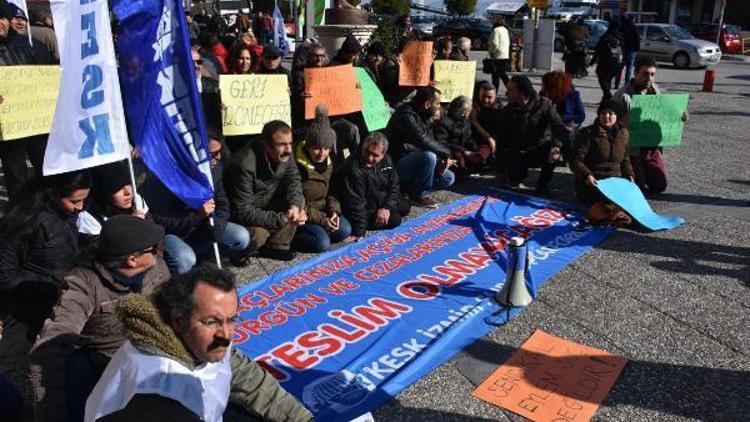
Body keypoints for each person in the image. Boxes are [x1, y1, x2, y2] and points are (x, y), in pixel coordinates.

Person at [84, 266, 313, 421]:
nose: (225, 335)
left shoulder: (203, 341)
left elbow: (251, 381)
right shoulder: (156, 388)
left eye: (231, 320)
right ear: (178, 318)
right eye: (211, 322)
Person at [29, 215, 169, 422]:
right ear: (131, 260)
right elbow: (50, 349)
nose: (161, 251)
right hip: (106, 365)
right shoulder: (82, 285)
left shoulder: (157, 268)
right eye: (155, 248)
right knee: (74, 366)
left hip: (154, 358)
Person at [143, 128, 252, 273]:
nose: (218, 157)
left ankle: (205, 258)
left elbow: (222, 202)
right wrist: (197, 215)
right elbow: (161, 220)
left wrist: (218, 226)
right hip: (173, 234)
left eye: (219, 151)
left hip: (201, 228)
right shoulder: (166, 177)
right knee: (185, 259)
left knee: (241, 237)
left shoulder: (214, 168)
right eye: (212, 154)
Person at [0, 170, 91, 335]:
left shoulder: (67, 214)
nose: (80, 207)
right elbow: (6, 276)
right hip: (37, 302)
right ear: (54, 195)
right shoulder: (25, 223)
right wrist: (48, 285)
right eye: (75, 201)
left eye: (84, 200)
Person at [225, 120, 305, 261]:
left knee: (298, 201)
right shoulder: (244, 165)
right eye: (281, 144)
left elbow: (294, 180)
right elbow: (242, 210)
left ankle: (277, 246)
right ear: (265, 144)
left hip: (266, 201)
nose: (289, 149)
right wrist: (281, 219)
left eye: (290, 143)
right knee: (258, 235)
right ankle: (240, 253)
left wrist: (294, 207)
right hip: (243, 215)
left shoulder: (286, 153)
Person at [612, 55, 687, 194]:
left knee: (659, 186)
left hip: (650, 149)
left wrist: (680, 115)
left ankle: (644, 172)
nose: (649, 78)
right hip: (631, 151)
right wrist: (626, 120)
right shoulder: (622, 96)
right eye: (645, 74)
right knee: (637, 189)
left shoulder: (656, 91)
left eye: (652, 74)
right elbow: (609, 127)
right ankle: (626, 173)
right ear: (635, 74)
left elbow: (667, 113)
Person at [0, 0, 44, 202]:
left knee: (44, 166)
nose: (1, 24)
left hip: (33, 120)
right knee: (16, 175)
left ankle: (46, 209)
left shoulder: (23, 44)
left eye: (3, 18)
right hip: (7, 127)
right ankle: (20, 219)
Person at [292, 107, 353, 252]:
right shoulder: (296, 166)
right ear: (308, 146)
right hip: (303, 214)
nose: (322, 153)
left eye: (326, 148)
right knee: (322, 243)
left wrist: (333, 212)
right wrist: (322, 220)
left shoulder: (330, 162)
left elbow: (333, 190)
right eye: (317, 148)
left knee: (344, 230)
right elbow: (295, 202)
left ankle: (323, 229)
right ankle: (294, 239)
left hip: (323, 210)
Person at [385, 86, 455, 208]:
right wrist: (446, 153)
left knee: (448, 177)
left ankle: (407, 189)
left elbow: (432, 142)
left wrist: (441, 164)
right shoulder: (406, 115)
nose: (440, 107)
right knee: (429, 156)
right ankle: (418, 195)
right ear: (427, 104)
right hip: (397, 164)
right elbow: (422, 140)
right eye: (437, 103)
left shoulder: (426, 116)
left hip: (417, 163)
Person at [497, 75, 569, 193]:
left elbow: (559, 127)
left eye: (511, 91)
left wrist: (556, 147)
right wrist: (499, 173)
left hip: (541, 148)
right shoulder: (507, 111)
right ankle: (517, 179)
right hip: (519, 151)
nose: (506, 94)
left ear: (523, 92)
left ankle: (543, 185)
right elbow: (501, 141)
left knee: (554, 151)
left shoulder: (544, 104)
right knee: (513, 178)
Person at [339, 133, 411, 240]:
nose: (369, 158)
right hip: (363, 205)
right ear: (362, 147)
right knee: (395, 219)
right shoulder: (353, 169)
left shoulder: (387, 160)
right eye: (366, 152)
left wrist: (386, 207)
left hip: (376, 198)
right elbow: (355, 203)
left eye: (375, 155)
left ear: (383, 154)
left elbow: (394, 185)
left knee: (405, 206)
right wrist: (359, 231)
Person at [570, 99, 633, 206]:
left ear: (617, 116)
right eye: (603, 113)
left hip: (614, 180)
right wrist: (587, 175)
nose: (606, 116)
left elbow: (625, 159)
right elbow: (575, 160)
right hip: (594, 180)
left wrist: (629, 175)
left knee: (632, 202)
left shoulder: (624, 133)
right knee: (607, 203)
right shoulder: (587, 134)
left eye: (611, 113)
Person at [77, 160, 150, 248]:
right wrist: (131, 227)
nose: (128, 192)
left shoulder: (137, 202)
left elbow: (152, 234)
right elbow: (100, 252)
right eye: (118, 188)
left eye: (128, 184)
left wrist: (144, 226)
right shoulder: (89, 217)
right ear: (105, 192)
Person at [540, 71, 585, 162]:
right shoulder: (543, 94)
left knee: (566, 129)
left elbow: (581, 116)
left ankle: (565, 154)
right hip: (548, 125)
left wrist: (562, 118)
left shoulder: (573, 95)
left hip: (567, 126)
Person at [435, 96, 484, 177]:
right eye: (468, 111)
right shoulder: (444, 122)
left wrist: (475, 149)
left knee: (479, 159)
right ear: (463, 112)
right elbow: (442, 142)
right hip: (452, 151)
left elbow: (468, 137)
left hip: (463, 150)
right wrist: (463, 151)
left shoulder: (464, 121)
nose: (469, 113)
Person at [590, 19, 623, 100]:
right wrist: (622, 63)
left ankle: (608, 95)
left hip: (605, 62)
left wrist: (592, 61)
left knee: (602, 79)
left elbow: (598, 49)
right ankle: (606, 98)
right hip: (616, 63)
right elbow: (623, 51)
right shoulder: (620, 37)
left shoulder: (606, 36)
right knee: (607, 80)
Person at [469, 81, 502, 160]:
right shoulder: (474, 104)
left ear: (495, 97)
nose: (486, 100)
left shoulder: (500, 111)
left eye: (489, 97)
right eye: (483, 96)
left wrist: (490, 139)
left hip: (490, 142)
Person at [363, 41, 399, 106]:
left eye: (380, 56)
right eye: (375, 55)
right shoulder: (363, 69)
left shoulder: (380, 68)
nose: (378, 58)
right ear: (369, 55)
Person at [488, 17, 511, 89]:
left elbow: (494, 43)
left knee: (496, 76)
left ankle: (496, 91)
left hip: (497, 55)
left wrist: (492, 52)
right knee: (502, 74)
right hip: (505, 55)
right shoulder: (505, 30)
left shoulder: (495, 30)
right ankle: (510, 88)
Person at [621, 15, 640, 84]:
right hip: (631, 49)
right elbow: (637, 39)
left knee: (621, 66)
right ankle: (627, 82)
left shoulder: (623, 27)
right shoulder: (634, 28)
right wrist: (637, 49)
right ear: (633, 20)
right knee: (629, 67)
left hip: (623, 49)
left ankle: (616, 83)